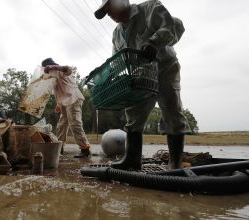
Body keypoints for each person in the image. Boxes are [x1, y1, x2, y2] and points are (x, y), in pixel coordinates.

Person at [94, 0, 191, 170]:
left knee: (172, 109)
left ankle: (175, 164)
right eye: (106, 11)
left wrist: (154, 42)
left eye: (110, 7)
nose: (109, 13)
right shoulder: (117, 33)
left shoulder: (149, 9)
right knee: (134, 114)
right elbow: (118, 61)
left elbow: (173, 26)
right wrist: (108, 75)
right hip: (141, 74)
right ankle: (132, 159)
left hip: (164, 67)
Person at [42, 58, 91, 158]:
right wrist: (58, 105)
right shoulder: (52, 76)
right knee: (61, 125)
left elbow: (68, 69)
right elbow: (59, 91)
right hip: (64, 102)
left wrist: (54, 67)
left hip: (73, 98)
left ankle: (85, 149)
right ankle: (59, 148)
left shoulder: (59, 70)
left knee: (75, 123)